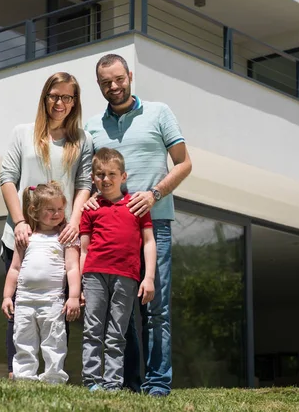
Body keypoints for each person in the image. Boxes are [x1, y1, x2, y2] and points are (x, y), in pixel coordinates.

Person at [84, 54, 192, 396]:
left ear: (129, 76)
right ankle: (127, 382)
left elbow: (185, 163)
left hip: (153, 224)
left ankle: (158, 383)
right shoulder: (92, 127)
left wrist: (155, 193)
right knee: (121, 312)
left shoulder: (159, 112)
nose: (113, 86)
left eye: (118, 79)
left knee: (156, 307)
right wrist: (86, 198)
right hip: (110, 231)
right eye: (105, 83)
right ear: (99, 86)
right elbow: (89, 177)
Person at [0, 72, 93, 379]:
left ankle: (53, 376)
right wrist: (19, 222)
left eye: (68, 97)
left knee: (56, 313)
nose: (60, 103)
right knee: (20, 311)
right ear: (45, 97)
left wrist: (76, 222)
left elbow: (83, 185)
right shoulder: (22, 133)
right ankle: (19, 376)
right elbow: (7, 180)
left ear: (75, 102)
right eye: (55, 95)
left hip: (60, 242)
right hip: (23, 238)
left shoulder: (82, 140)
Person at [79, 148, 156, 391]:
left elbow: (149, 241)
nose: (106, 179)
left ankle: (112, 384)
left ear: (124, 176)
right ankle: (92, 381)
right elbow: (83, 249)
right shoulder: (90, 209)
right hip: (94, 276)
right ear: (93, 178)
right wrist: (80, 285)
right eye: (100, 174)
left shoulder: (136, 206)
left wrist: (149, 277)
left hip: (127, 277)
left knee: (117, 333)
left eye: (112, 173)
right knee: (92, 329)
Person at [1, 182, 81, 383]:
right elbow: (14, 268)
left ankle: (53, 378)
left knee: (54, 341)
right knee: (23, 340)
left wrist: (73, 296)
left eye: (60, 209)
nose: (56, 214)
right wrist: (7, 296)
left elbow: (73, 268)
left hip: (52, 301)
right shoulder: (26, 237)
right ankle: (24, 378)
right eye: (50, 209)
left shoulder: (66, 238)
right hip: (25, 300)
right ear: (34, 211)